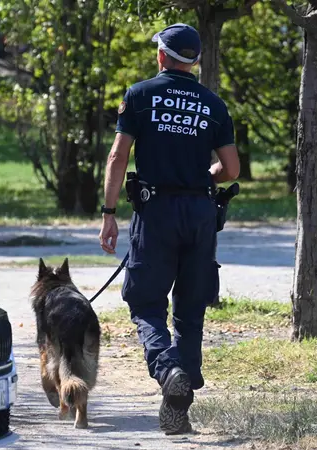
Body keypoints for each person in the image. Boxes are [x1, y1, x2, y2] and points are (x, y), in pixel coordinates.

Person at [97, 23, 240, 435]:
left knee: (145, 302)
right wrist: (203, 175)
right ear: (194, 61)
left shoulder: (140, 95)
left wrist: (108, 212)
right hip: (200, 213)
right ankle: (179, 406)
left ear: (162, 56)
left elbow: (117, 157)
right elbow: (230, 169)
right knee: (191, 309)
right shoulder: (213, 104)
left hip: (155, 211)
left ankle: (167, 369)